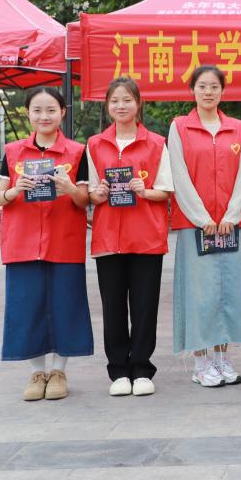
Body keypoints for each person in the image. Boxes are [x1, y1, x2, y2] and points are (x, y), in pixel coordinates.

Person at [0, 87, 91, 401]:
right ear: (27, 114)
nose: (44, 116)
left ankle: (59, 371)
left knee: (66, 305)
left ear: (63, 112)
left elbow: (84, 200)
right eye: (37, 110)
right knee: (27, 307)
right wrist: (15, 190)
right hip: (22, 242)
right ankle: (37, 373)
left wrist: (69, 188)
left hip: (64, 240)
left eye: (51, 110)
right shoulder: (13, 152)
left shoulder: (77, 152)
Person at [168, 65, 241, 388]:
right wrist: (202, 217)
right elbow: (179, 175)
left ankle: (222, 359)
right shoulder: (180, 127)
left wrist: (232, 213)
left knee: (228, 293)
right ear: (192, 90)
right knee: (200, 294)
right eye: (202, 86)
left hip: (229, 227)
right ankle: (201, 363)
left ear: (222, 91)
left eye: (214, 86)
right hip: (196, 227)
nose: (208, 92)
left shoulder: (236, 128)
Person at [87, 77, 173, 397]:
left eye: (127, 100)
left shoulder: (157, 143)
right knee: (112, 308)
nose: (121, 106)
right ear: (107, 106)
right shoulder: (95, 144)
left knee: (144, 306)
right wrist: (98, 193)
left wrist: (145, 190)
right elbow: (91, 192)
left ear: (138, 104)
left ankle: (142, 368)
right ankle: (118, 371)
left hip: (146, 237)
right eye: (115, 101)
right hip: (108, 238)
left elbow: (165, 190)